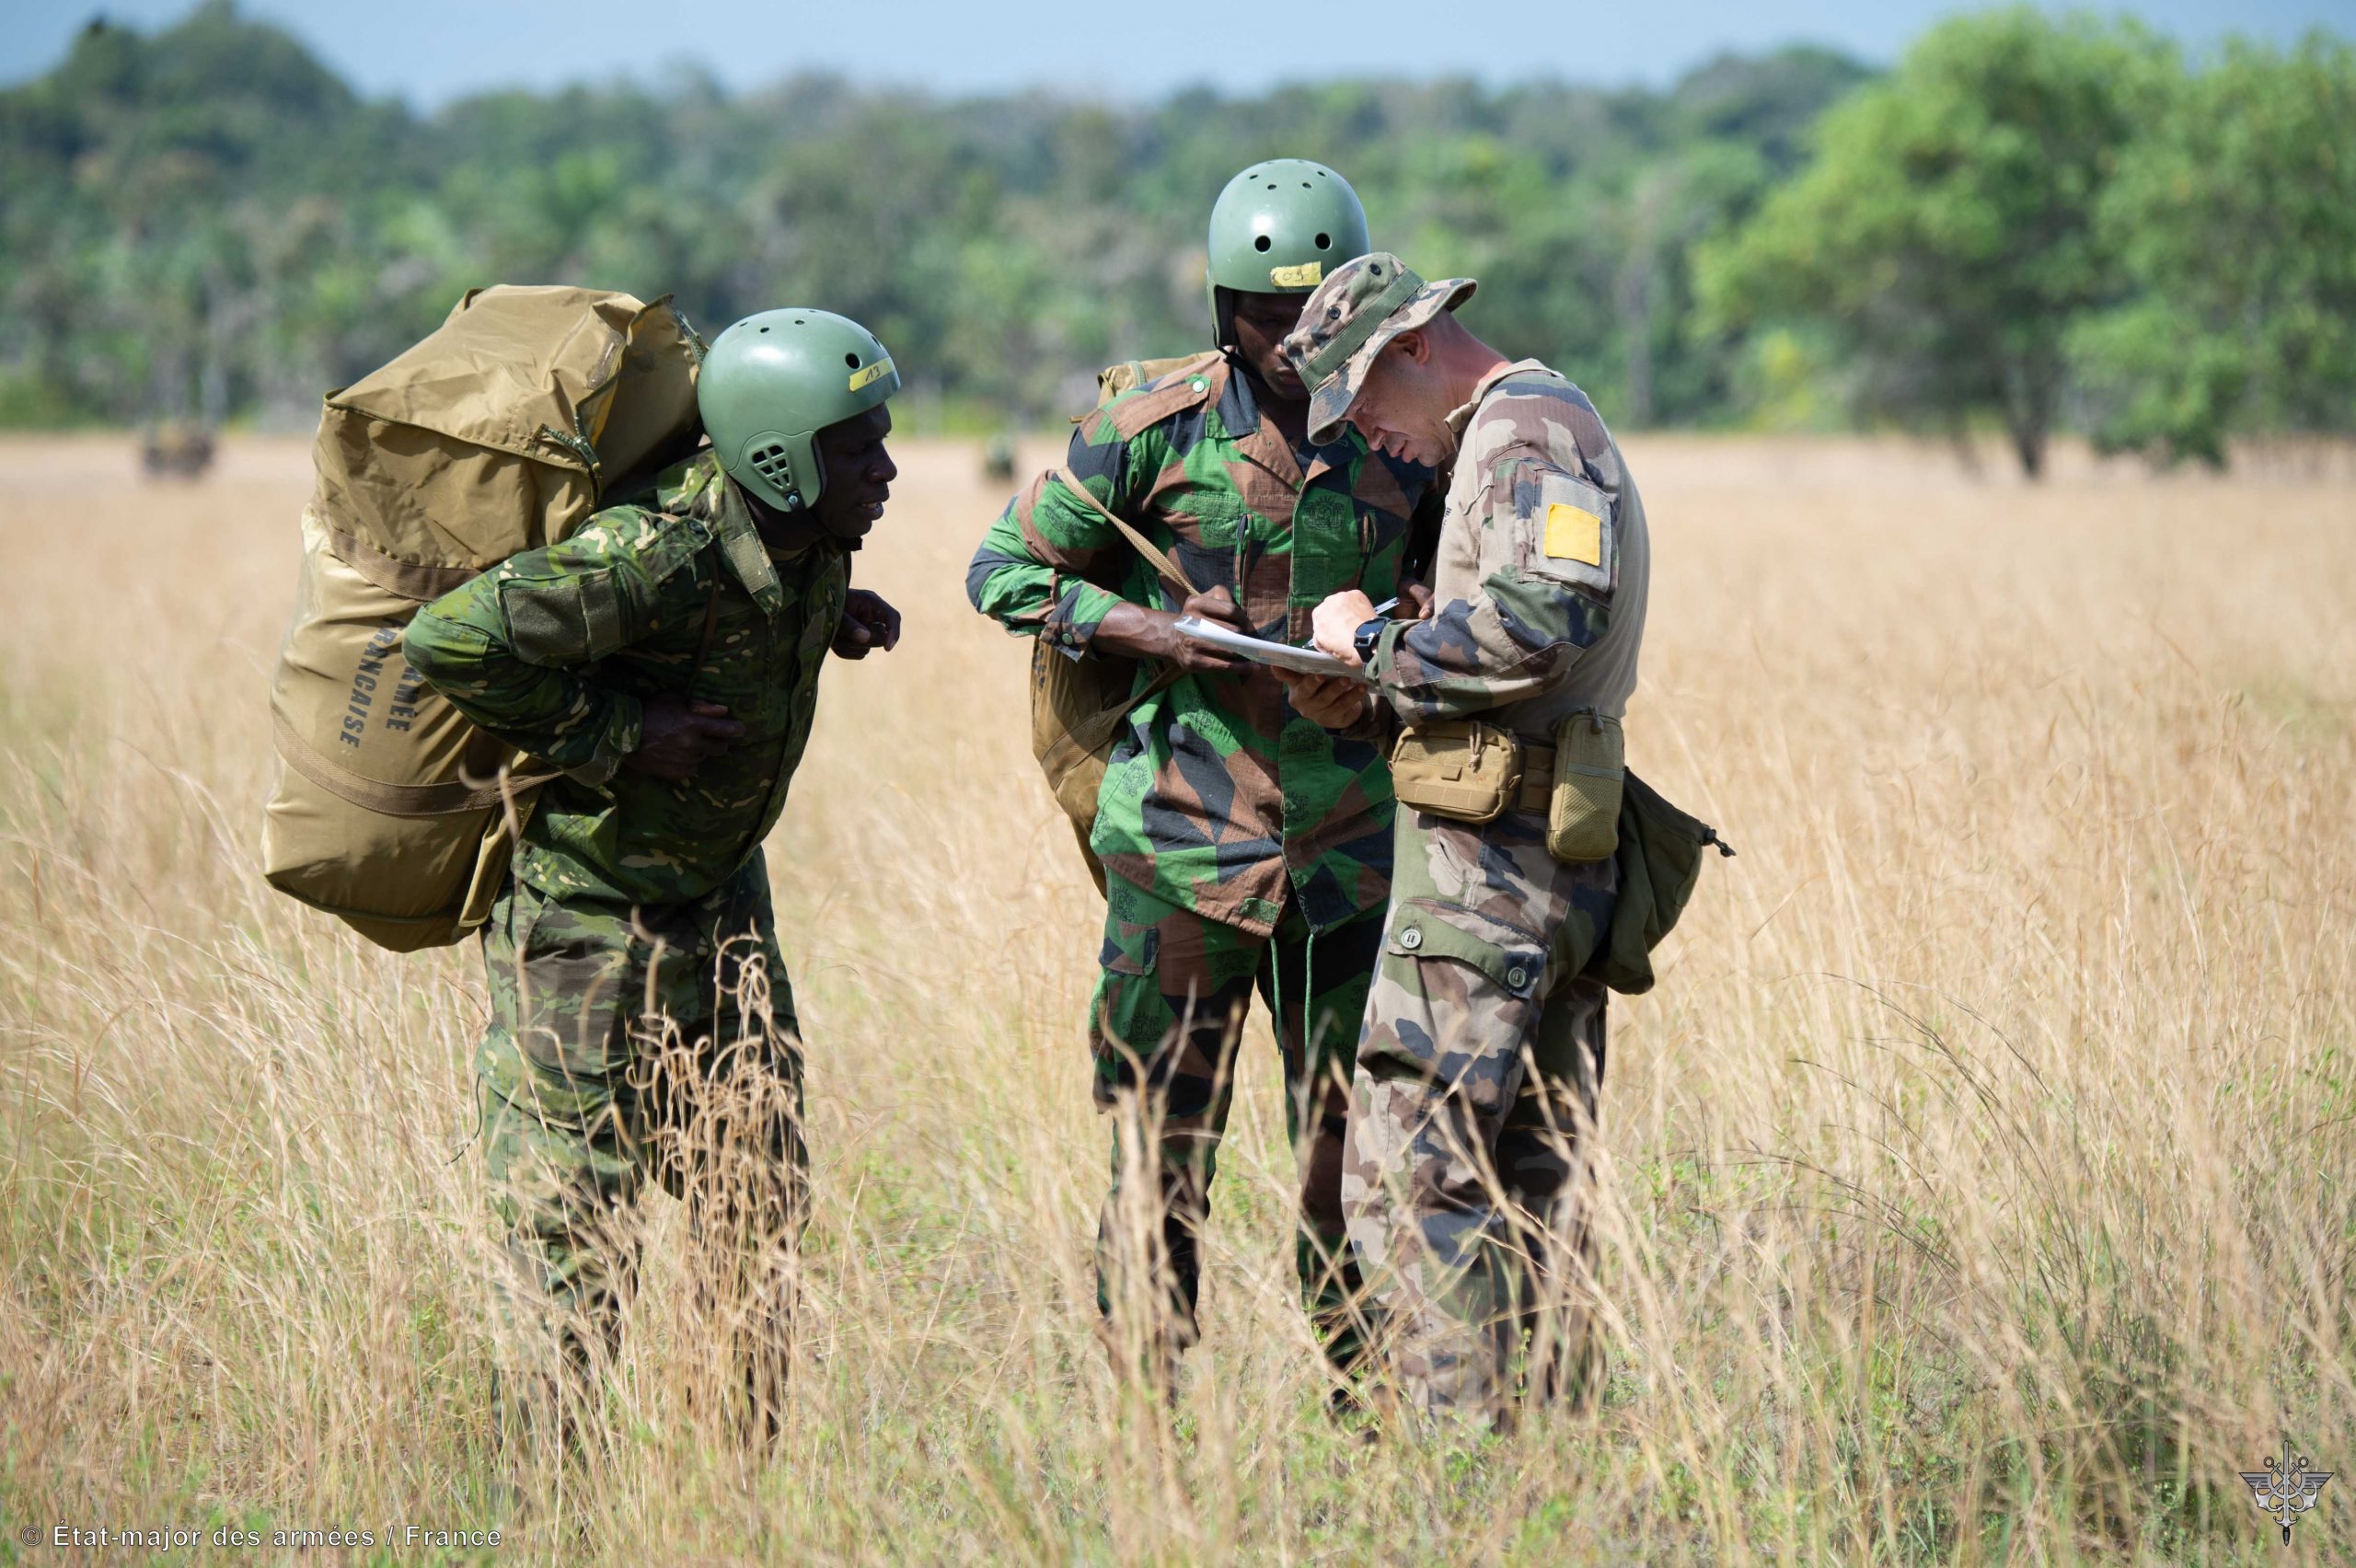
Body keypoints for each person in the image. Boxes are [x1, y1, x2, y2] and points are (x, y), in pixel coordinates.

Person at [966, 161, 1441, 1395]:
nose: (1289, 342)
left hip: (1352, 862)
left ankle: (1372, 1409)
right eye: (1263, 315)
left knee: (1353, 1161)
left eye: (1313, 315)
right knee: (1159, 1157)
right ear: (1223, 310)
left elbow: (1458, 601)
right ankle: (1152, 1425)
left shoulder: (1408, 432)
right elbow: (1003, 570)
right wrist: (1149, 631)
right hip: (1182, 853)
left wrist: (1397, 636)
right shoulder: (1151, 427)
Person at [403, 307, 906, 1445]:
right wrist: (626, 735)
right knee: (576, 1242)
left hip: (722, 914)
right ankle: (553, 1506)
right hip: (588, 932)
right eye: (857, 449)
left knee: (759, 1206)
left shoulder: (808, 537)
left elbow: (752, 603)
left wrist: (832, 617)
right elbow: (449, 641)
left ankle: (733, 1493)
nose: (885, 471)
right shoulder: (653, 555)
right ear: (779, 458)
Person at [1273, 253, 1651, 1426]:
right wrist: (1375, 683)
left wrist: (1370, 644)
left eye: (1363, 400)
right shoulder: (1519, 430)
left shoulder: (1524, 429)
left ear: (1415, 345)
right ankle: (1546, 1465)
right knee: (1529, 1182)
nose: (1366, 434)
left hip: (1494, 872)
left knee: (1412, 1178)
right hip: (1540, 853)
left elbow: (1543, 622)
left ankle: (1459, 1467)